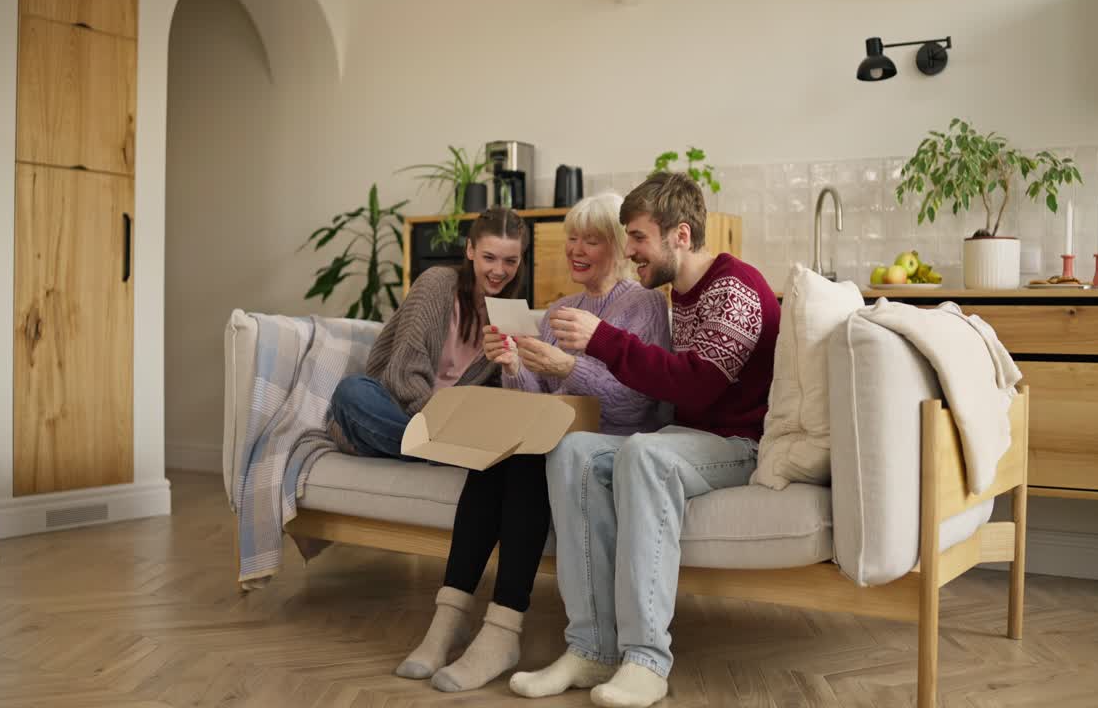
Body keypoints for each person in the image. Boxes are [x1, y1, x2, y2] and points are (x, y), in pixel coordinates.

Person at [510, 173, 781, 708]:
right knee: (574, 451)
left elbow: (699, 386)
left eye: (637, 238)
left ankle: (646, 660)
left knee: (644, 451)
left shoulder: (737, 287)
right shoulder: (676, 296)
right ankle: (591, 647)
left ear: (680, 236)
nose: (629, 251)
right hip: (688, 438)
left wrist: (602, 341)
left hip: (739, 443)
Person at [395, 192, 671, 693]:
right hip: (554, 438)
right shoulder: (562, 308)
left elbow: (638, 402)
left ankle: (502, 630)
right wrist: (513, 365)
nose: (576, 249)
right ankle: (449, 616)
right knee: (497, 455)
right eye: (571, 238)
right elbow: (536, 398)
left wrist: (569, 366)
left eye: (591, 239)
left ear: (617, 246)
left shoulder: (644, 304)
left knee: (527, 458)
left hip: (609, 446)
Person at [327, 207, 527, 458]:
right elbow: (404, 376)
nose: (499, 270)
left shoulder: (510, 316)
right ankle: (441, 452)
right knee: (351, 392)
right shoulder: (437, 284)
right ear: (470, 250)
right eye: (489, 257)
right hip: (399, 410)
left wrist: (512, 368)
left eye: (510, 261)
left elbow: (495, 397)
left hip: (453, 427)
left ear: (520, 261)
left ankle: (431, 451)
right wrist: (440, 428)